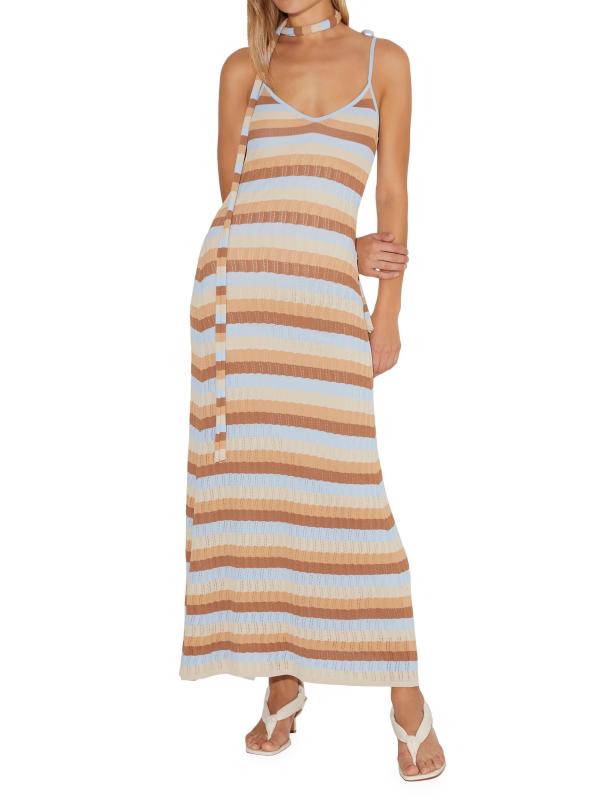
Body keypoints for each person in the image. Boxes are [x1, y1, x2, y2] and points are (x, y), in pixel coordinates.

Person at [181, 0, 445, 781]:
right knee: (261, 494)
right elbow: (237, 195)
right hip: (238, 303)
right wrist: (334, 239)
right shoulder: (244, 68)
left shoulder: (384, 61)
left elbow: (391, 194)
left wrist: (387, 311)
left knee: (346, 494)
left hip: (326, 306)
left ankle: (404, 691)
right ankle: (282, 678)